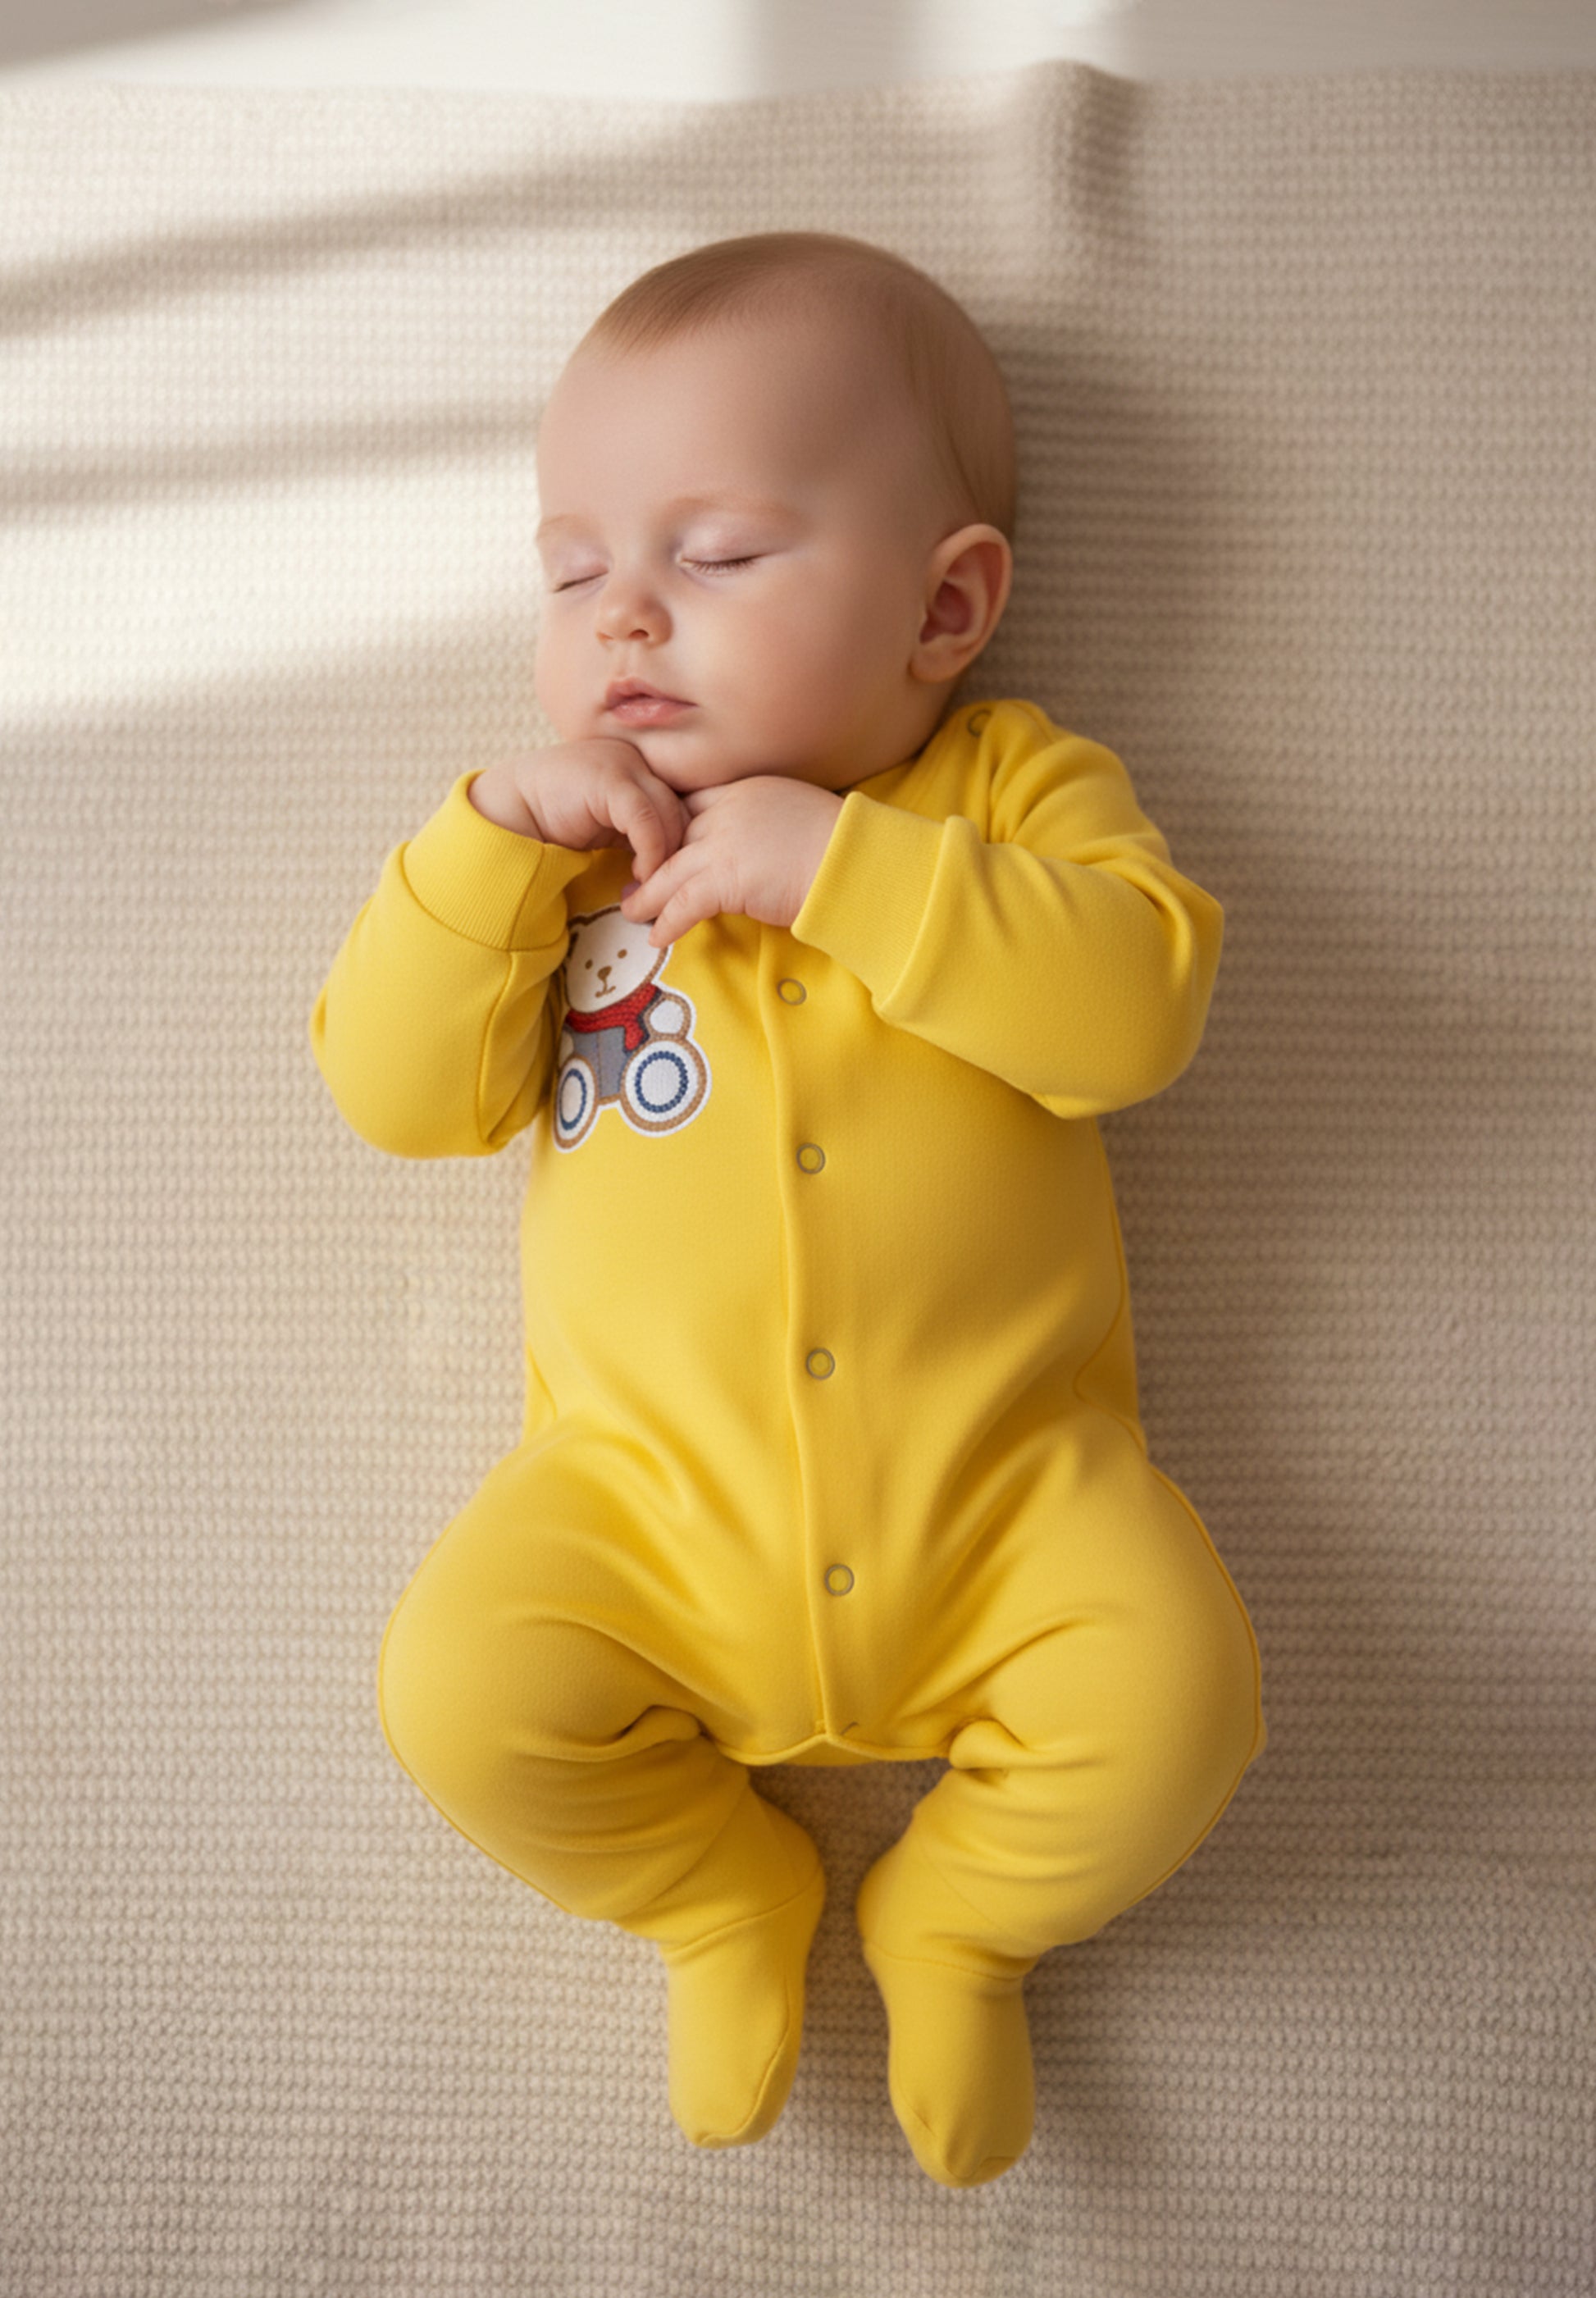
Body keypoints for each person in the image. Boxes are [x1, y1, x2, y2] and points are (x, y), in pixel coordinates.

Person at [308, 230, 1266, 2191]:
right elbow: (399, 1101)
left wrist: (846, 869)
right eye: (573, 571)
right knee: (460, 1691)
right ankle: (708, 1890)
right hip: (645, 1509)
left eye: (718, 556)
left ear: (945, 606)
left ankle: (962, 1913)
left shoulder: (1007, 796)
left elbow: (1133, 1013)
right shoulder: (557, 868)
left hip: (1011, 1500)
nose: (625, 620)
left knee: (1180, 1694)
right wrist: (479, 851)